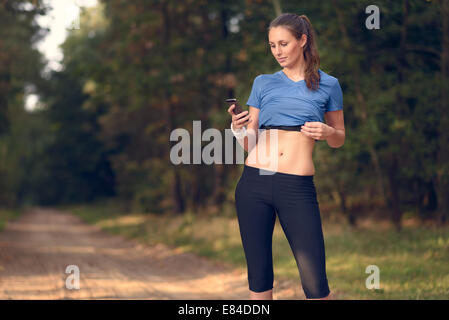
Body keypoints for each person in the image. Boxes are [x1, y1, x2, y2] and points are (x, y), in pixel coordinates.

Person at [227, 13, 345, 300]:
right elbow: (249, 143)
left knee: (315, 283)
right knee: (259, 279)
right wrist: (236, 128)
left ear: (302, 41)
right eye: (272, 45)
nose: (277, 51)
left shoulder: (328, 85)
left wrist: (327, 130)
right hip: (254, 183)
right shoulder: (263, 83)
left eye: (283, 43)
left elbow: (339, 139)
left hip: (296, 187)